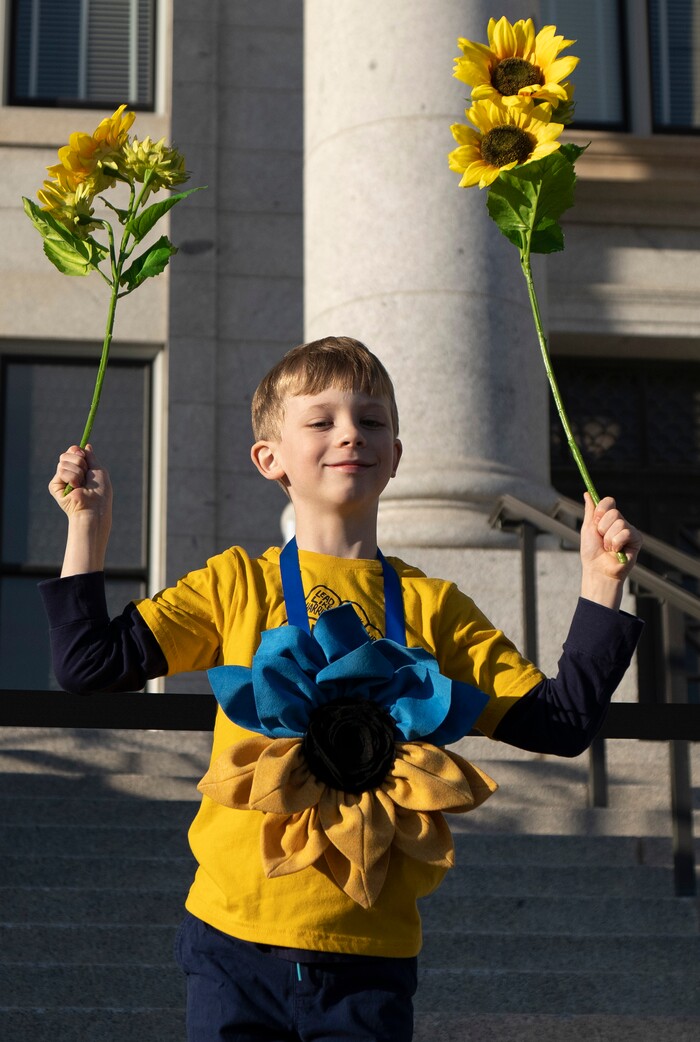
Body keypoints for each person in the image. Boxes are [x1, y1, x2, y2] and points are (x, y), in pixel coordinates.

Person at [42, 335, 643, 1042]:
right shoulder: (236, 583)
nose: (351, 433)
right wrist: (89, 528)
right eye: (322, 421)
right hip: (234, 943)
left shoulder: (434, 607)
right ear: (271, 458)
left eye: (373, 420)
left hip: (371, 959)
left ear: (395, 458)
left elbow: (561, 722)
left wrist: (602, 585)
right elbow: (87, 663)